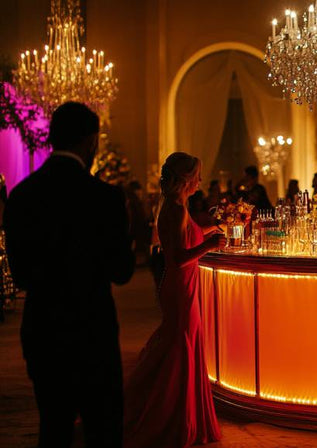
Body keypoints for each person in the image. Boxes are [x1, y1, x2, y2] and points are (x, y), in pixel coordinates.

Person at [3, 102, 135, 447]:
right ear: (91, 142)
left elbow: (20, 276)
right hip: (93, 332)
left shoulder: (21, 195)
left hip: (43, 330)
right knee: (103, 431)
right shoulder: (105, 198)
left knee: (53, 427)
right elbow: (122, 272)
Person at [123, 152, 225, 447]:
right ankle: (171, 417)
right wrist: (209, 245)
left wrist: (209, 229)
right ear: (185, 179)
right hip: (181, 287)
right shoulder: (177, 209)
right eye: (197, 176)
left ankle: (174, 412)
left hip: (180, 285)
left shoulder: (174, 205)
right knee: (180, 347)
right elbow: (178, 258)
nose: (200, 181)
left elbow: (183, 238)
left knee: (178, 344)